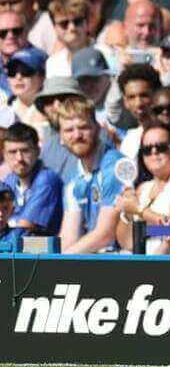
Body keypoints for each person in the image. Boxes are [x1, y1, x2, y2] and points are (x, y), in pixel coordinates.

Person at [114, 126, 170, 254]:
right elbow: (126, 243)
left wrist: (139, 209)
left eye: (161, 147)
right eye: (147, 149)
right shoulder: (143, 188)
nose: (154, 152)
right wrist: (127, 214)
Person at [58, 98, 122, 254]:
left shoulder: (115, 166)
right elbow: (68, 238)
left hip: (123, 260)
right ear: (61, 137)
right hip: (93, 259)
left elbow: (106, 235)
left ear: (98, 129)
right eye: (69, 130)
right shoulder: (74, 180)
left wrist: (58, 263)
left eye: (83, 127)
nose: (77, 135)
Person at [2, 122, 63, 234]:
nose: (19, 158)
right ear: (4, 155)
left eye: (25, 151)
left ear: (37, 151)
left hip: (45, 249)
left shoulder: (47, 180)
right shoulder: (9, 181)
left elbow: (23, 228)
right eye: (12, 152)